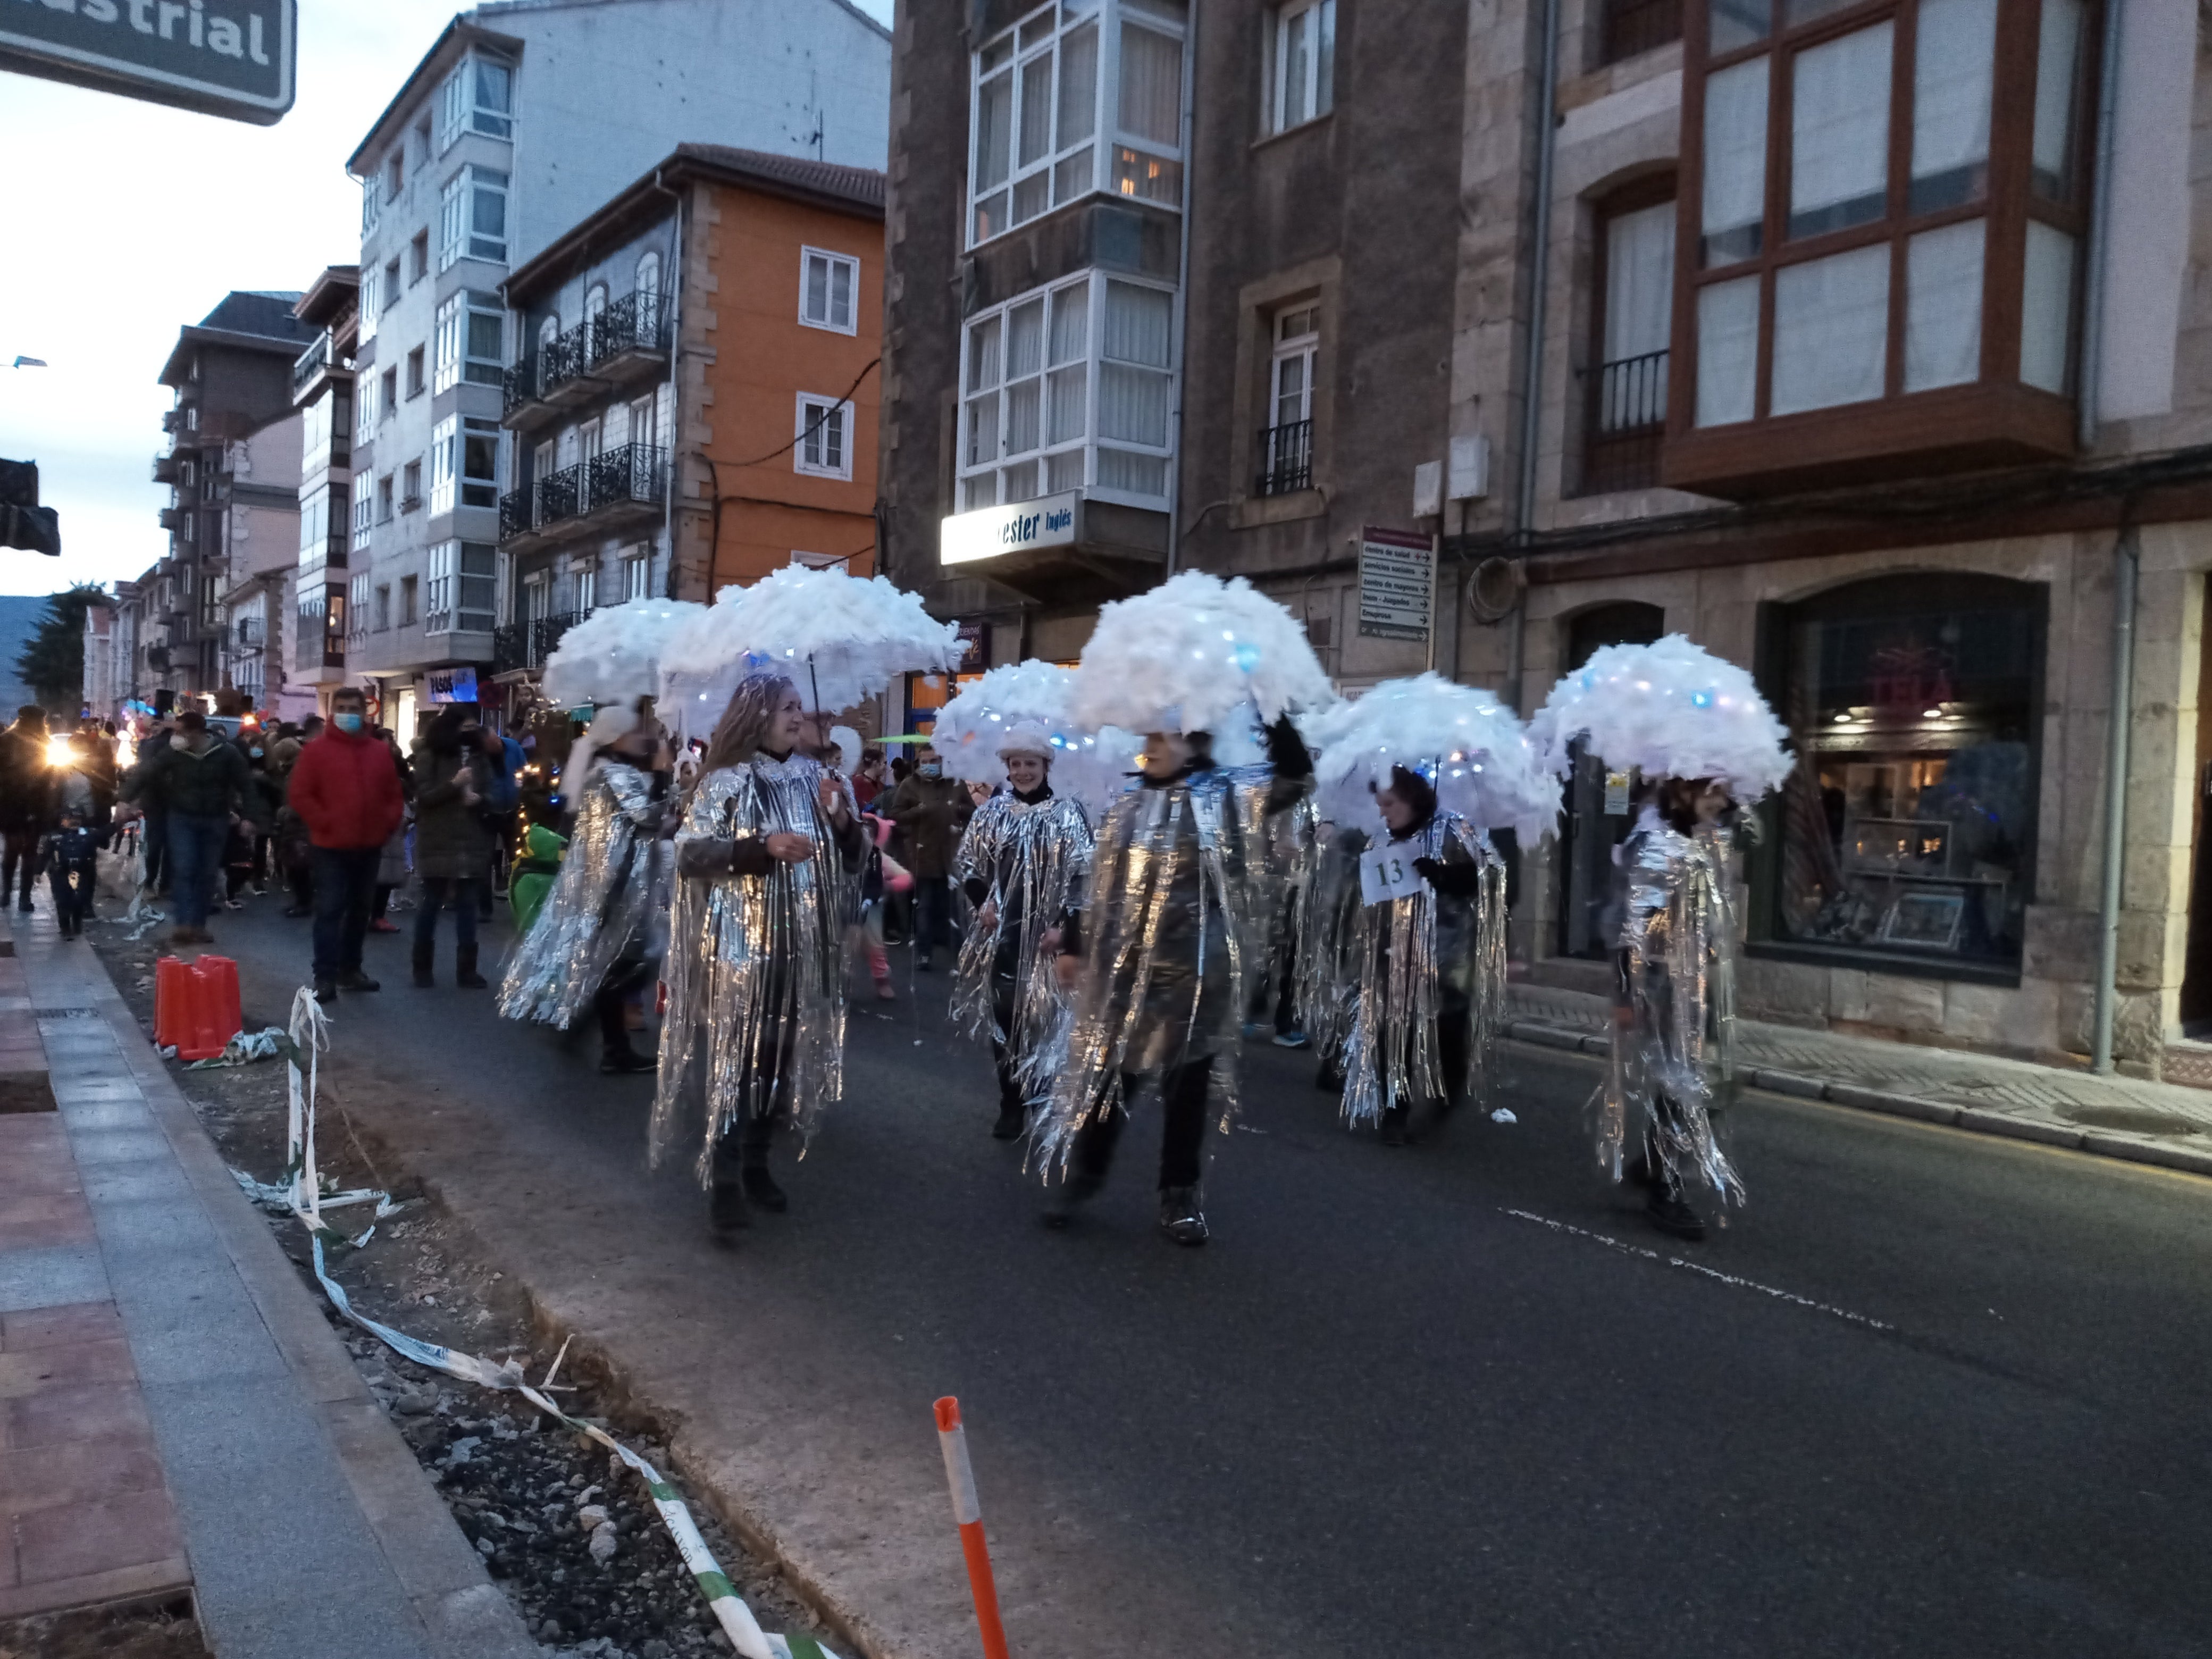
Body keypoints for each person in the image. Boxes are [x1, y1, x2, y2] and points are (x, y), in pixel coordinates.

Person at [1039, 714, 1312, 1245]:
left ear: (1193, 743)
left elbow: (1294, 777)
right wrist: (1074, 945)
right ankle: (1084, 1178)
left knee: (1187, 1090)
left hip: (1197, 977)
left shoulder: (1227, 799)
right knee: (1109, 1083)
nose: (1150, 749)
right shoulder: (1130, 805)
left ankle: (1179, 1195)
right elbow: (1098, 884)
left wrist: (1272, 708)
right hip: (1126, 976)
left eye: (1162, 738)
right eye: (1147, 739)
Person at [651, 675, 865, 1236]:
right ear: (756, 715)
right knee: (733, 1062)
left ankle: (755, 1163)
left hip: (801, 950)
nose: (797, 717)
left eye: (800, 707)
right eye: (784, 708)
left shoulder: (824, 778)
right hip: (740, 950)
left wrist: (841, 819)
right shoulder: (725, 783)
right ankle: (723, 1182)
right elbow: (690, 855)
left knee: (775, 1064)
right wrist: (759, 848)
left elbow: (858, 857)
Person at [1320, 765, 1505, 1146]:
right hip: (1396, 953)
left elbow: (1492, 876)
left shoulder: (1455, 828)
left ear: (1412, 798)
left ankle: (1444, 1098)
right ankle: (1395, 1112)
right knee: (1395, 1035)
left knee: (1450, 1036)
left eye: (1390, 803)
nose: (1384, 811)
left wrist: (1445, 876)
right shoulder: (1380, 840)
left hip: (1449, 956)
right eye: (1380, 804)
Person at [1601, 776, 1747, 1243]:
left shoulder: (1706, 841)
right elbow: (1633, 927)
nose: (1721, 802)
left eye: (1724, 793)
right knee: (1685, 1085)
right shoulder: (1655, 845)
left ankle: (1653, 1167)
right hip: (1662, 988)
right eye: (1712, 792)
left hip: (1698, 986)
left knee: (1711, 1086)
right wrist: (1627, 995)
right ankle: (1665, 1188)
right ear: (1684, 791)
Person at [499, 702, 671, 1073]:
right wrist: (662, 776)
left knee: (620, 963)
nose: (642, 738)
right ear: (615, 738)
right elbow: (651, 816)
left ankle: (602, 1040)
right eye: (633, 732)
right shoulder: (614, 775)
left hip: (613, 885)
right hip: (619, 887)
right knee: (628, 963)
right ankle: (605, 1043)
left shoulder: (607, 772)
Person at [951, 723, 1093, 1139]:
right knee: (1007, 1022)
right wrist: (984, 903)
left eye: (1031, 763)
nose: (1023, 771)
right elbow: (968, 865)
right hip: (1005, 939)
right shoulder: (992, 813)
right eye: (1016, 764)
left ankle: (1043, 1096)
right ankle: (1011, 1104)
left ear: (1046, 765)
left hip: (1050, 942)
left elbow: (1086, 877)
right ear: (1007, 768)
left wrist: (1064, 928)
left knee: (1048, 1024)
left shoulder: (1068, 813)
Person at [287, 687, 406, 1003]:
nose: (348, 714)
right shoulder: (316, 751)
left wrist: (387, 824)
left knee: (359, 911)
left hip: (369, 845)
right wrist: (324, 822)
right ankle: (324, 976)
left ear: (365, 712)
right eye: (341, 707)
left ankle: (350, 970)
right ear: (332, 711)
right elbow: (300, 794)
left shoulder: (379, 752)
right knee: (330, 910)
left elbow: (393, 795)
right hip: (330, 846)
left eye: (354, 708)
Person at [122, 710, 248, 947]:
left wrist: (250, 817)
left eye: (179, 732)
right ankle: (182, 925)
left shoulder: (226, 753)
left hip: (215, 819)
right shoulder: (175, 753)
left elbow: (246, 784)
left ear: (194, 732)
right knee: (185, 868)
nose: (175, 737)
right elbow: (147, 772)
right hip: (182, 817)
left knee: (207, 873)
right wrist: (125, 798)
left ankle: (198, 926)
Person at [409, 708, 495, 988]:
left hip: (471, 841)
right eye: (465, 727)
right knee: (431, 903)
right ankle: (422, 967)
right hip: (438, 840)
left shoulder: (480, 759)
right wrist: (453, 786)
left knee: (468, 905)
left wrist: (480, 800)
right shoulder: (429, 756)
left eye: (474, 728)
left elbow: (492, 794)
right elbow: (423, 797)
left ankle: (467, 970)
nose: (470, 733)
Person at [885, 742, 971, 970]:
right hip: (921, 855)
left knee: (954, 908)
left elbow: (971, 811)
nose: (930, 766)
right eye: (925, 762)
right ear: (918, 763)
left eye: (934, 761)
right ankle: (924, 954)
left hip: (950, 854)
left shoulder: (955, 783)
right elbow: (894, 815)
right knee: (925, 906)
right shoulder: (910, 785)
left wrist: (958, 810)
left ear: (942, 761)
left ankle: (960, 956)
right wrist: (920, 811)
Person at [0, 706, 55, 912]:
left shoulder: (43, 743)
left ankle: (18, 895)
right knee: (20, 850)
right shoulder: (8, 741)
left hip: (27, 803)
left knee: (22, 851)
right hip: (17, 802)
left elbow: (50, 775)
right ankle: (14, 894)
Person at [39, 803, 99, 940]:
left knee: (79, 899)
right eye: (70, 818)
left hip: (81, 873)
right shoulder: (53, 837)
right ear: (62, 820)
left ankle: (77, 923)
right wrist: (38, 871)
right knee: (62, 900)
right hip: (60, 873)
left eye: (78, 818)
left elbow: (100, 843)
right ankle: (65, 927)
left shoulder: (88, 834)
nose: (74, 821)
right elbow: (43, 854)